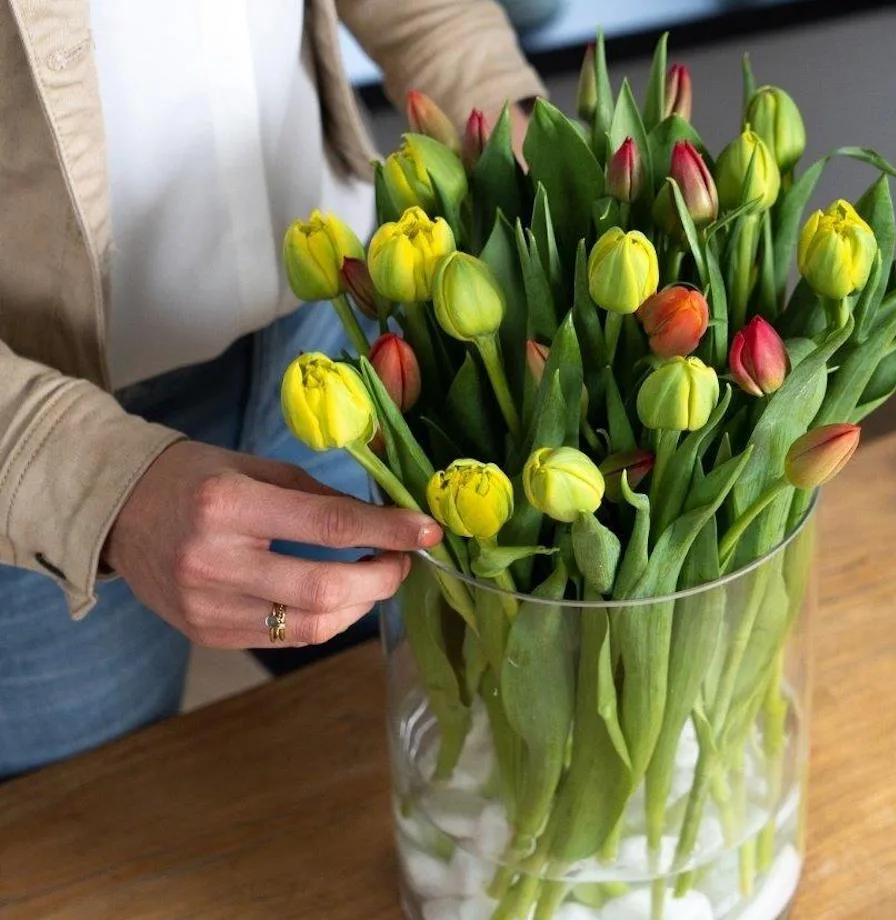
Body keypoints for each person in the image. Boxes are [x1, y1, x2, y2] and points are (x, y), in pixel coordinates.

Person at [0, 0, 544, 777]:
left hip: (341, 347)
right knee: (97, 844)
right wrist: (97, 488)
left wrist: (547, 198)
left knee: (451, 752)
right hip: (35, 454)